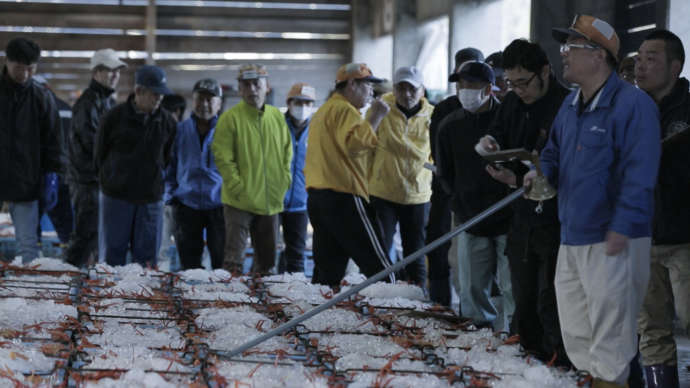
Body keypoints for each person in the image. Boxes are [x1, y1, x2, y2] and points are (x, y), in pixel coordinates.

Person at [526, 15, 661, 388]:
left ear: (599, 55)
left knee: (612, 341)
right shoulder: (570, 106)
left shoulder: (634, 105)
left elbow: (642, 170)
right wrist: (540, 174)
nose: (563, 54)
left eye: (572, 46)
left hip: (614, 239)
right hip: (572, 235)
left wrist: (622, 225)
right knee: (578, 335)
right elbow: (552, 152)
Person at [478, 38, 570, 366]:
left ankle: (559, 370)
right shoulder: (514, 102)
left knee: (552, 303)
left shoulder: (567, 106)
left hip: (557, 222)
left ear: (545, 71)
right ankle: (528, 371)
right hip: (522, 218)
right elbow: (499, 129)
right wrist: (491, 142)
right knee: (523, 299)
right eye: (510, 83)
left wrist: (515, 179)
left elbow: (566, 171)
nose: (517, 90)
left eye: (524, 82)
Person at [437, 61, 514, 330]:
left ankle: (513, 338)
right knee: (471, 287)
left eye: (472, 85)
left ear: (489, 88)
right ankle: (477, 338)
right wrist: (459, 200)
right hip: (470, 218)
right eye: (461, 85)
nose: (465, 90)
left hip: (508, 217)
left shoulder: (507, 119)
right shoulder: (449, 126)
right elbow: (444, 171)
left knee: (511, 286)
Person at [304, 63, 395, 287]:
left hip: (319, 198)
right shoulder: (345, 110)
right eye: (368, 85)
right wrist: (375, 117)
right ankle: (397, 309)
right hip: (344, 196)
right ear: (352, 84)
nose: (372, 92)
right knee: (380, 268)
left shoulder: (324, 111)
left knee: (328, 270)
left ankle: (322, 315)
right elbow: (356, 145)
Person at [634, 29, 689, 388]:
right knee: (651, 331)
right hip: (641, 239)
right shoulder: (629, 111)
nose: (640, 66)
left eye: (651, 58)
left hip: (685, 240)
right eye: (637, 58)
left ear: (675, 66)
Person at [212, 64, 292, 275]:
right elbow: (223, 158)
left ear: (267, 86)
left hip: (270, 203)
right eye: (245, 85)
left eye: (256, 83)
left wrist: (283, 182)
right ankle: (231, 306)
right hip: (239, 202)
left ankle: (263, 307)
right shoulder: (229, 119)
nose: (251, 89)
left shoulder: (277, 117)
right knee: (233, 263)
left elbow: (287, 154)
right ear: (239, 89)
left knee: (266, 265)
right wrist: (238, 187)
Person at [95, 65, 177, 267]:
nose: (159, 99)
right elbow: (99, 154)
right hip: (116, 198)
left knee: (146, 262)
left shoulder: (167, 122)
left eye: (161, 95)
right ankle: (111, 298)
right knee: (112, 259)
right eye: (154, 94)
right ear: (138, 91)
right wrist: (111, 179)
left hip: (150, 200)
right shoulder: (113, 117)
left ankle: (143, 298)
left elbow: (168, 157)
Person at [427, 47, 484, 307]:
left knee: (473, 260)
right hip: (446, 192)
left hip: (480, 196)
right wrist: (449, 186)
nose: (468, 87)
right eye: (463, 80)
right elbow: (438, 153)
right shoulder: (444, 110)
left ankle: (473, 311)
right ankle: (441, 305)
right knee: (440, 247)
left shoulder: (498, 111)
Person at [368, 66, 433, 287]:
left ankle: (417, 300)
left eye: (412, 89)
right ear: (394, 89)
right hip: (382, 192)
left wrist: (424, 171)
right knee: (378, 252)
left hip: (417, 195)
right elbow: (366, 143)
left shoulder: (432, 116)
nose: (407, 94)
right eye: (401, 88)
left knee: (415, 254)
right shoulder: (380, 109)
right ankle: (377, 298)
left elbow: (436, 155)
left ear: (422, 90)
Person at [0, 37, 61, 264]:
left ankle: (29, 296)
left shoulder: (42, 97)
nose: (24, 75)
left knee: (28, 247)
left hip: (26, 180)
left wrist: (52, 174)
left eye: (30, 69)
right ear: (7, 62)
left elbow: (54, 141)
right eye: (19, 68)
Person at [64, 48, 126, 267]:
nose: (114, 76)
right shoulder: (88, 103)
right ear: (96, 72)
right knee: (86, 233)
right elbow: (93, 145)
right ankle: (69, 277)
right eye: (109, 71)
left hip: (99, 180)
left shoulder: (107, 102)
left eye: (117, 71)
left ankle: (82, 280)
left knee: (97, 235)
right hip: (87, 180)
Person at [165, 79, 225, 270]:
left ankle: (221, 299)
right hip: (186, 205)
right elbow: (169, 165)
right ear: (193, 101)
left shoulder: (227, 131)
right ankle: (190, 298)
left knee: (221, 265)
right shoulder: (180, 130)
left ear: (219, 104)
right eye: (200, 99)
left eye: (210, 100)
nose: (205, 104)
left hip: (220, 205)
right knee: (189, 266)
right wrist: (171, 195)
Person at [278, 82, 316, 274]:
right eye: (299, 102)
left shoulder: (318, 130)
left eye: (308, 103)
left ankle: (294, 297)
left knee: (296, 256)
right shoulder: (276, 125)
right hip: (273, 201)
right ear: (289, 103)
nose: (303, 108)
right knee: (266, 255)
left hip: (301, 203)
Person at [158, 93, 186, 271]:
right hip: (171, 201)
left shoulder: (176, 132)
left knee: (162, 252)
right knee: (162, 251)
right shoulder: (183, 132)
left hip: (172, 200)